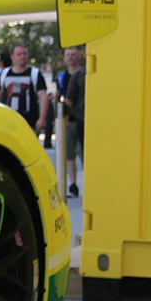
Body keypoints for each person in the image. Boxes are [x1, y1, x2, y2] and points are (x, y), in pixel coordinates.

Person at [0, 43, 53, 140]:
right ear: (12, 57)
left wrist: (42, 118)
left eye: (25, 53)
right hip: (9, 122)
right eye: (19, 54)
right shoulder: (4, 74)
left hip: (29, 122)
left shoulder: (35, 73)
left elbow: (43, 97)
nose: (23, 56)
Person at [57, 45, 86, 198]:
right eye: (68, 55)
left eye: (73, 54)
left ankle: (87, 183)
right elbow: (65, 99)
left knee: (84, 154)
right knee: (69, 155)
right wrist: (63, 119)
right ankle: (72, 185)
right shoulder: (63, 77)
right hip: (73, 120)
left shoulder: (84, 73)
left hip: (84, 120)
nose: (70, 57)